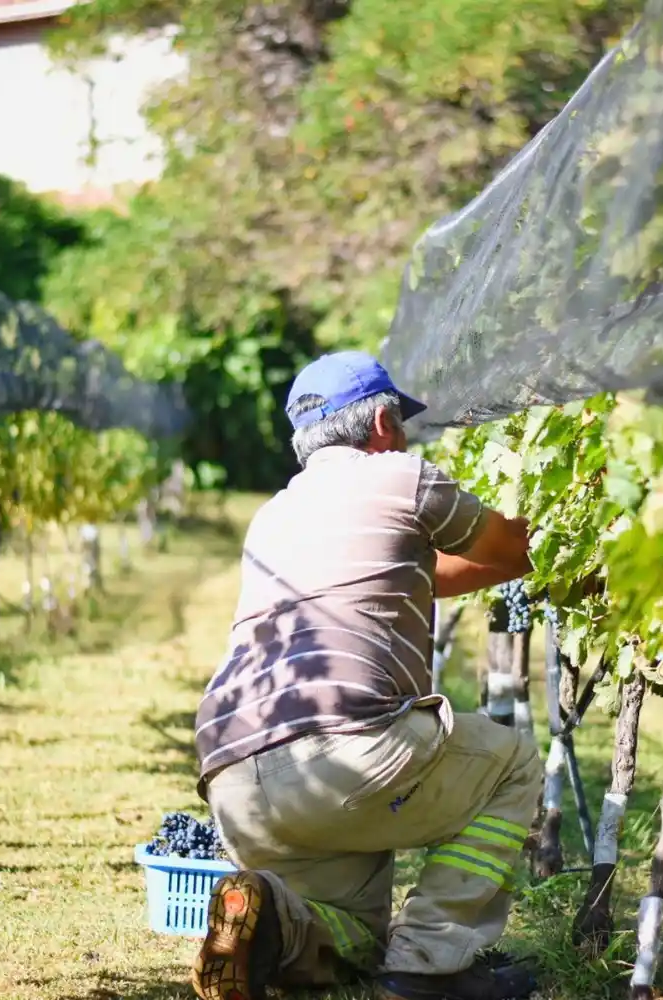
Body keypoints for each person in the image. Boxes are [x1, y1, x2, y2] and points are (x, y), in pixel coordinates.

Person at [191, 351, 542, 1000]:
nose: (404, 435)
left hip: (234, 779)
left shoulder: (272, 518)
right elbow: (513, 548)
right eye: (401, 423)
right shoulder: (399, 477)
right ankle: (428, 966)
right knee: (513, 761)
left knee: (351, 936)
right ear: (382, 422)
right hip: (342, 752)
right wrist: (594, 548)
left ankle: (262, 910)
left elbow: (423, 576)